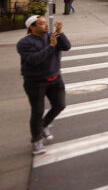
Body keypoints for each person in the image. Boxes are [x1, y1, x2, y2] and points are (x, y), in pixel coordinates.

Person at [17, 15, 71, 155]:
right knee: (37, 111)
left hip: (55, 79)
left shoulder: (52, 36)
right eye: (41, 24)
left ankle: (43, 125)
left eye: (46, 23)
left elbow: (67, 47)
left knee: (60, 105)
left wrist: (59, 32)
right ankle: (36, 140)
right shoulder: (25, 43)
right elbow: (35, 60)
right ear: (32, 27)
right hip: (35, 82)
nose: (46, 25)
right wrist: (51, 46)